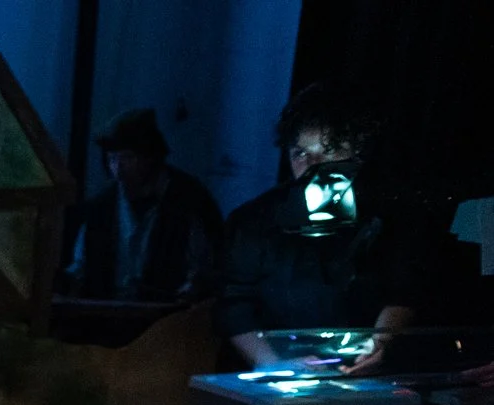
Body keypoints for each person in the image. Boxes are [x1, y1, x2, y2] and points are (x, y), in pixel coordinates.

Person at [218, 82, 420, 368]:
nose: (313, 165)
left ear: (358, 152)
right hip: (274, 374)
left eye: (329, 150)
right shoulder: (252, 221)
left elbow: (403, 292)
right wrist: (275, 366)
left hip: (359, 372)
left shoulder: (389, 219)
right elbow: (233, 307)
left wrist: (377, 347)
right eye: (300, 153)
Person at [62, 107, 221, 302]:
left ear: (150, 157)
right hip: (108, 312)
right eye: (112, 159)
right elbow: (80, 268)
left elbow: (207, 267)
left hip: (169, 312)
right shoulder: (101, 207)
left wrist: (193, 289)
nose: (118, 169)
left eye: (128, 158)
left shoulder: (190, 200)